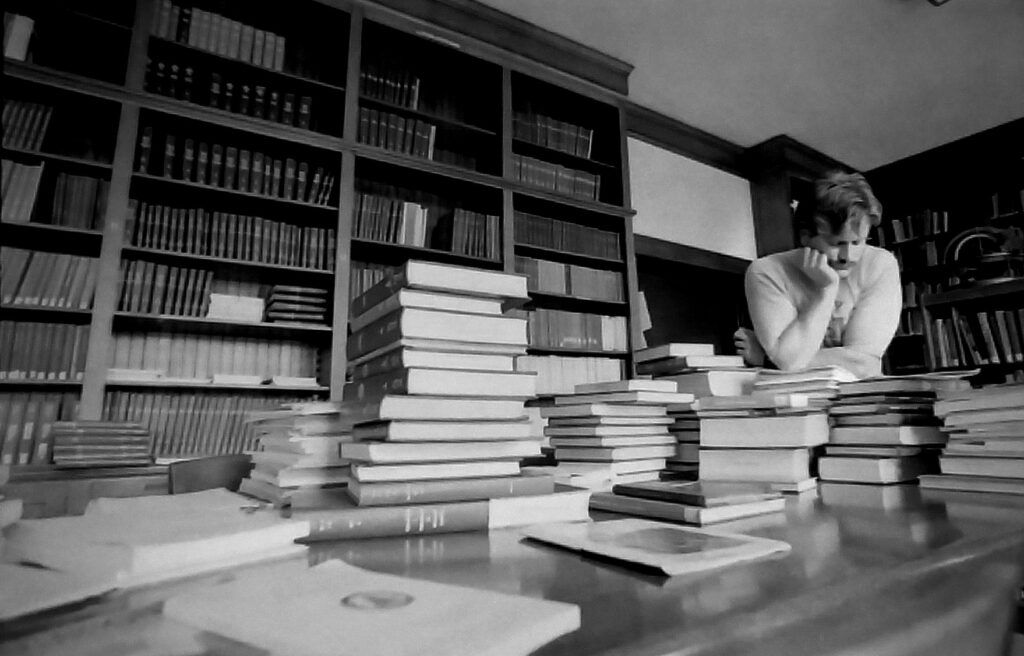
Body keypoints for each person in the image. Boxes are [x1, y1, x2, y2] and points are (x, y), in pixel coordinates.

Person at [734, 171, 901, 379]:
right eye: (836, 243)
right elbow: (790, 360)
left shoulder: (880, 264)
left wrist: (769, 360)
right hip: (795, 399)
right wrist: (825, 291)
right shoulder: (766, 272)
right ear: (805, 236)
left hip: (862, 398)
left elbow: (863, 365)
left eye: (858, 242)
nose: (848, 256)